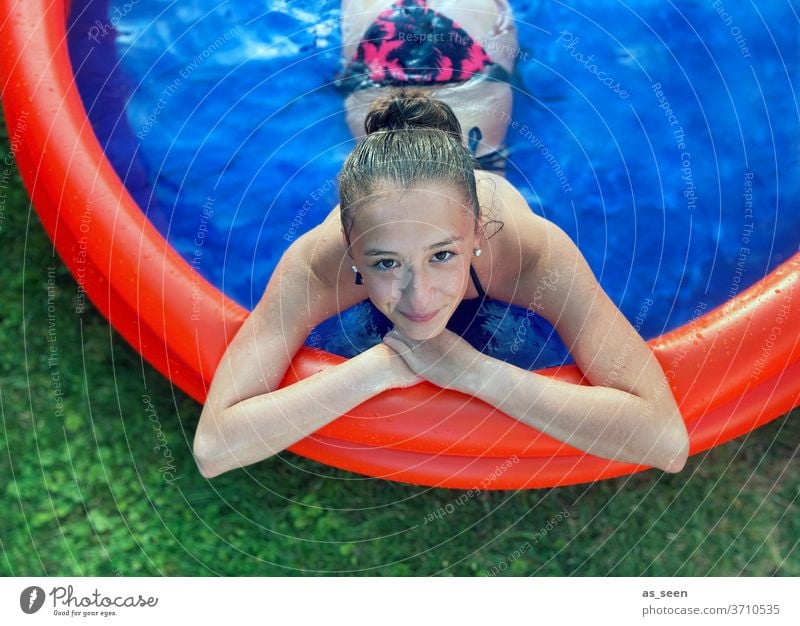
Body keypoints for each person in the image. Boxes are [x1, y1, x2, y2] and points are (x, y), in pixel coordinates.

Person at [192, 4, 690, 480]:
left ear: (478, 232)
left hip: (468, 64)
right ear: (350, 246)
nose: (418, 296)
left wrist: (471, 372)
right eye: (385, 263)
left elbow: (665, 440)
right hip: (385, 61)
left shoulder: (528, 252)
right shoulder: (322, 261)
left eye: (443, 255)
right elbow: (214, 447)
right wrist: (377, 369)